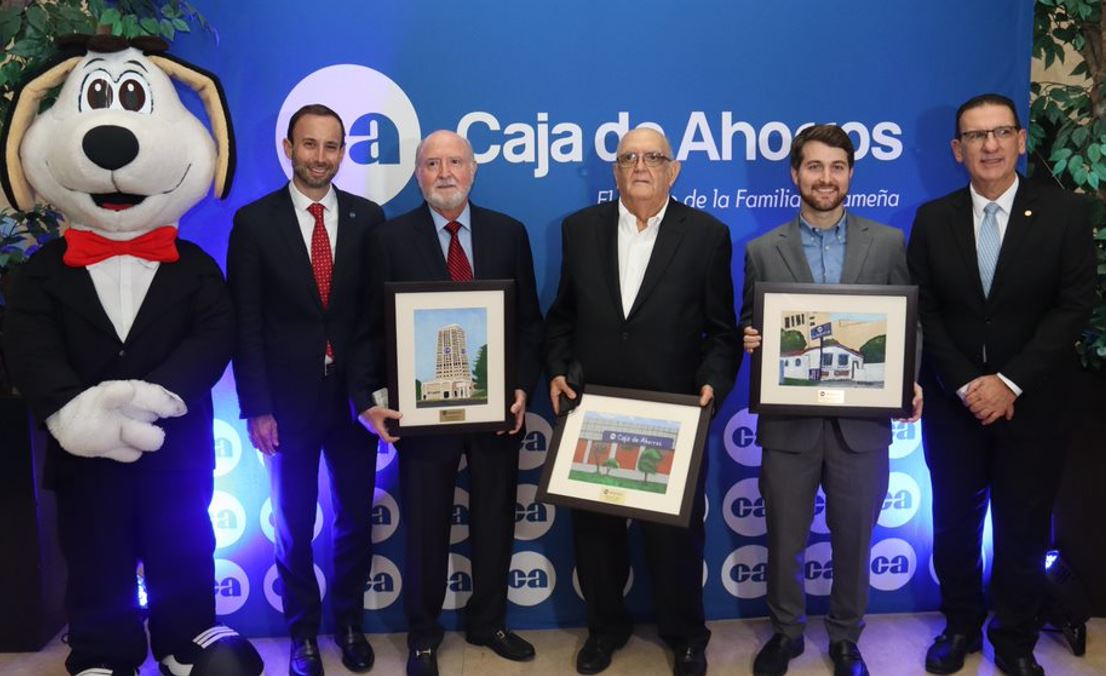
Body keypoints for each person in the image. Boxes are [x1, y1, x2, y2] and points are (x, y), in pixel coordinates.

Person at [907, 93, 1096, 676]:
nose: (989, 145)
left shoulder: (1066, 214)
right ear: (957, 149)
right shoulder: (932, 218)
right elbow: (925, 311)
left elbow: (1074, 308)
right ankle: (960, 625)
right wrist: (967, 383)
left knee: (1023, 525)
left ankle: (1013, 641)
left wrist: (1008, 383)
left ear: (1020, 140)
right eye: (976, 136)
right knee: (955, 526)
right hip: (954, 403)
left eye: (1001, 132)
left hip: (1034, 403)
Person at [543, 127, 739, 676]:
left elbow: (722, 332)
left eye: (653, 157)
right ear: (614, 171)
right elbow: (562, 318)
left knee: (673, 539)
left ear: (673, 170)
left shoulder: (706, 234)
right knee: (596, 533)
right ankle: (605, 629)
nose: (641, 166)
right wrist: (557, 370)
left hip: (673, 413)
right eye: (629, 157)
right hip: (594, 411)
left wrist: (713, 384)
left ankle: (685, 636)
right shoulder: (580, 230)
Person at [358, 130, 544, 676]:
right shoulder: (388, 240)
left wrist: (521, 388)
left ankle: (489, 623)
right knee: (426, 528)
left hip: (494, 415)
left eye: (455, 162)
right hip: (422, 417)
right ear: (418, 174)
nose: (445, 172)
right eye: (432, 163)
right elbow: (368, 330)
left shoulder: (509, 234)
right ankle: (422, 636)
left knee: (494, 522)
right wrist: (371, 400)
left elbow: (529, 324)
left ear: (474, 170)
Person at [740, 125, 922, 676]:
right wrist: (751, 335)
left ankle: (846, 638)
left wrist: (906, 378)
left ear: (850, 174)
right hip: (789, 425)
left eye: (837, 166)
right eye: (814, 166)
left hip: (860, 425)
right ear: (795, 174)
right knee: (785, 538)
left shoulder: (887, 243)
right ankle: (787, 634)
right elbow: (750, 320)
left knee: (854, 539)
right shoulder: (760, 250)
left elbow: (908, 329)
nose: (826, 178)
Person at [227, 104, 385, 676]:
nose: (321, 157)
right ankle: (303, 636)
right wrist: (258, 407)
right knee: (293, 523)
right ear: (289, 147)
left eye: (332, 146)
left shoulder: (371, 219)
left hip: (354, 400)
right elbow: (245, 322)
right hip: (286, 404)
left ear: (343, 152)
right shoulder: (254, 222)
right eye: (310, 144)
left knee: (354, 521)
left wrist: (374, 395)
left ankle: (348, 624)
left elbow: (377, 316)